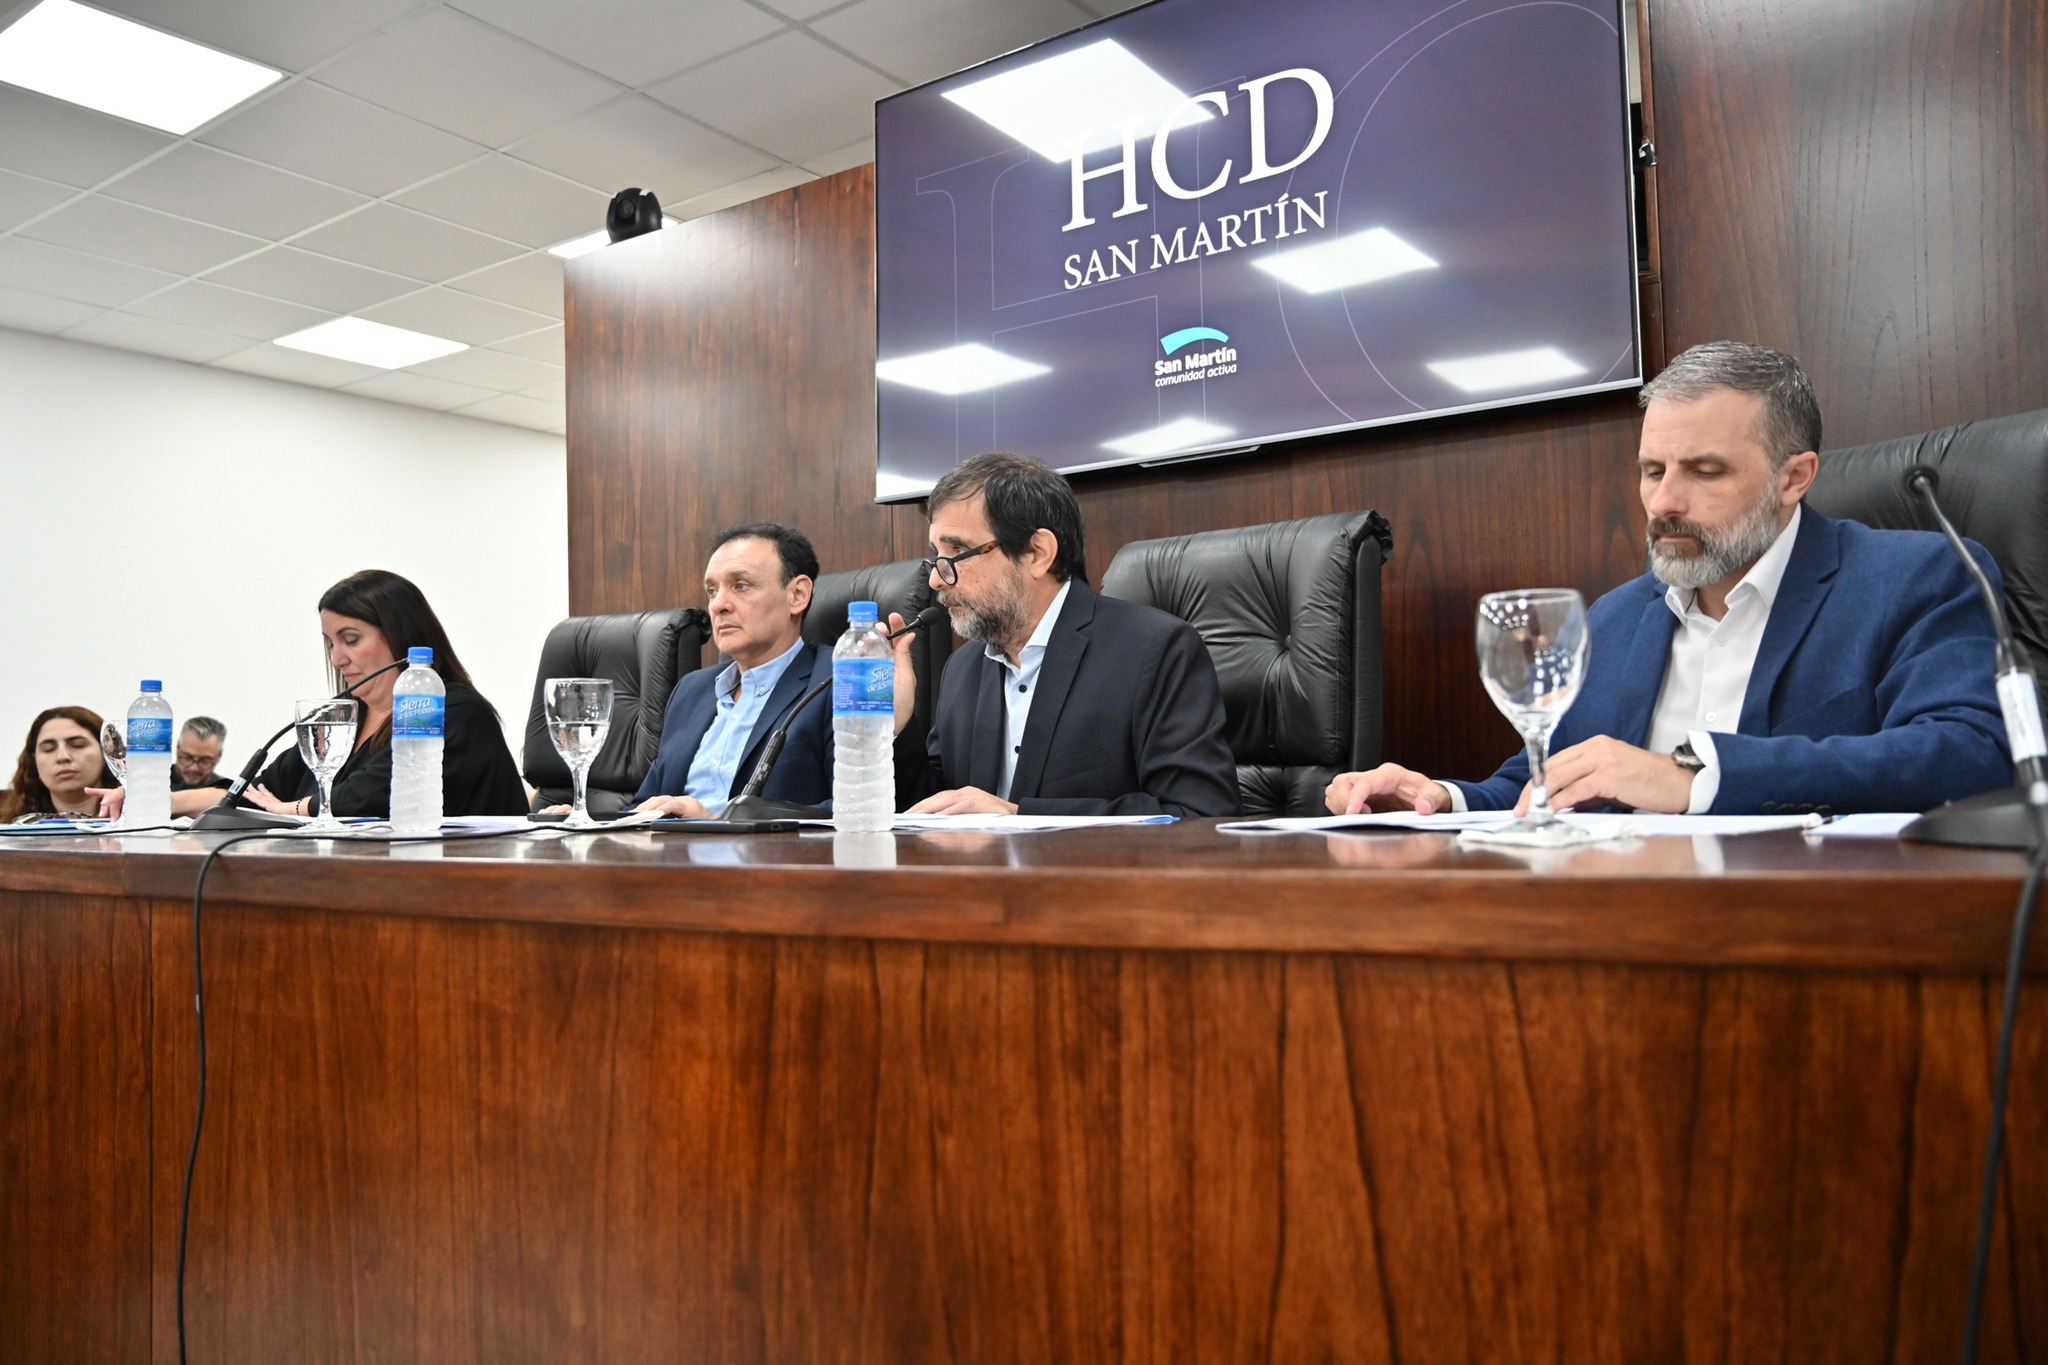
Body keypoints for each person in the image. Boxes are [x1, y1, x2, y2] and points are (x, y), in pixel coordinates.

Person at [1325, 341, 2013, 818]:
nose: (1663, 503)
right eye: (1652, 471)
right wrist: (1439, 799)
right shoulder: (1616, 617)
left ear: (1794, 478)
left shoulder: (1918, 578)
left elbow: (1973, 752)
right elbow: (1545, 780)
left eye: (1704, 471)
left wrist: (1694, 777)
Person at [889, 451, 1241, 817]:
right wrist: (893, 724)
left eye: (958, 551)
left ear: (1037, 553)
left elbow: (1199, 812)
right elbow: (937, 808)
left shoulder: (1156, 650)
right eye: (936, 556)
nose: (936, 579)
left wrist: (1019, 817)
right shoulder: (963, 668)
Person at [133, 570, 527, 821]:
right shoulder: (341, 719)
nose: (338, 659)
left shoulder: (450, 709)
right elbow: (256, 792)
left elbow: (372, 796)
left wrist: (291, 809)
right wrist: (157, 800)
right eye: (330, 643)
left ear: (401, 635)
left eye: (350, 639)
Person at [629, 523, 833, 817]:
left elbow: (855, 810)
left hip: (766, 848)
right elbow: (644, 806)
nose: (718, 606)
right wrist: (580, 819)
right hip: (668, 845)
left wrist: (717, 826)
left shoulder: (837, 680)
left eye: (740, 586)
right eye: (712, 591)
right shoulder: (691, 690)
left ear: (797, 595)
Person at [1, 706, 113, 822]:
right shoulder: (7, 819)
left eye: (77, 745)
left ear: (107, 751)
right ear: (33, 760)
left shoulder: (126, 812)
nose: (62, 757)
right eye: (48, 749)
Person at [172, 716, 230, 791]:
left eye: (205, 761)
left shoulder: (228, 791)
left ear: (219, 756)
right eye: (187, 758)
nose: (193, 768)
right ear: (178, 748)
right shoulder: (157, 779)